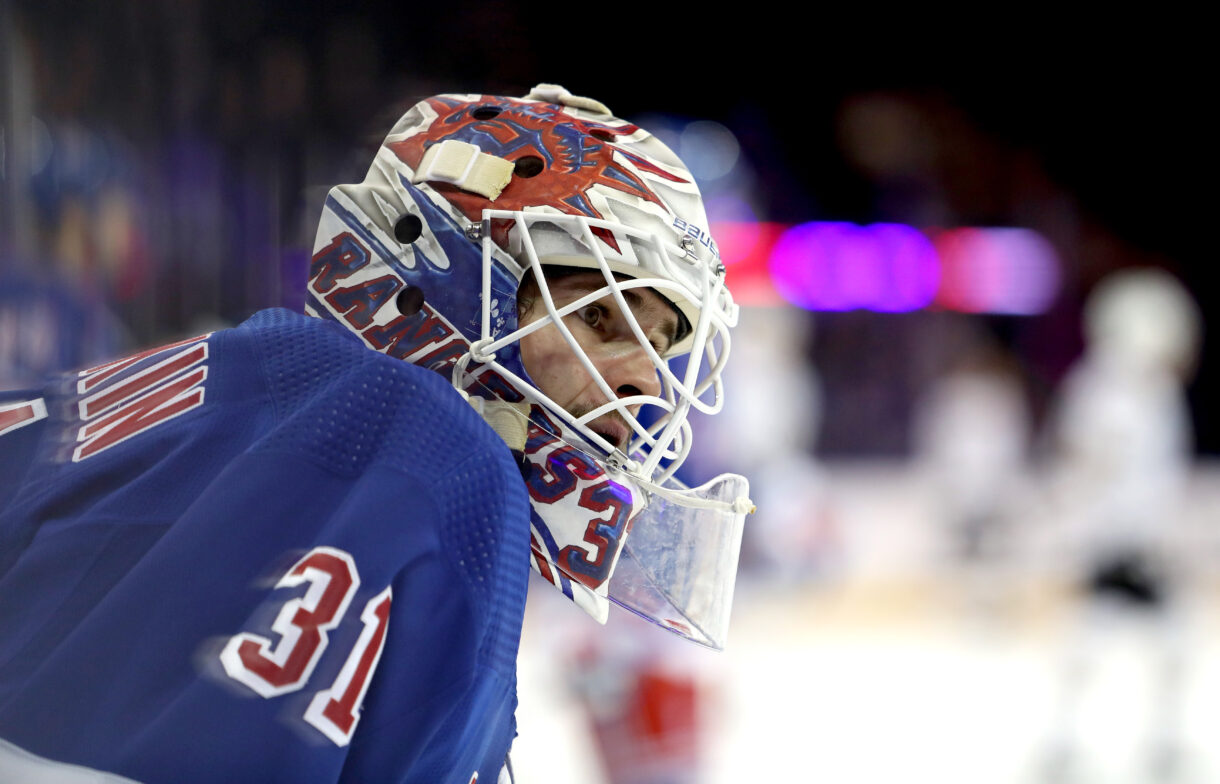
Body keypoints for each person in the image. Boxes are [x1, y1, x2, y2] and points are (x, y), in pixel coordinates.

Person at [0, 84, 751, 783]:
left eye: (662, 345)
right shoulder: (448, 465)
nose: (647, 383)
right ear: (451, 278)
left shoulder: (240, 370)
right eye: (598, 316)